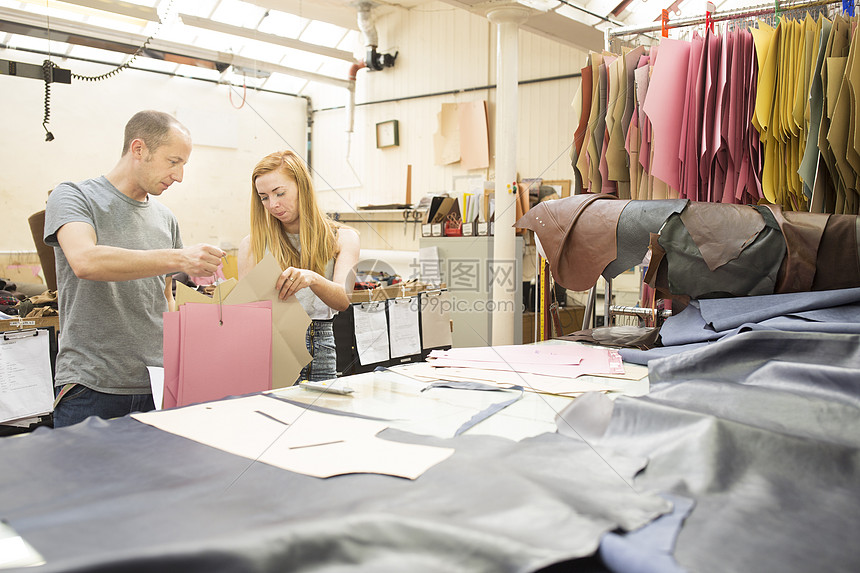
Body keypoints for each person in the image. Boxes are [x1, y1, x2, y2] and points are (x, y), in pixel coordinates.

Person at [44, 110, 226, 427]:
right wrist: (180, 257)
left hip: (158, 387)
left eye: (184, 164)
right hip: (92, 387)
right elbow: (86, 261)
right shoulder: (74, 196)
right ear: (138, 149)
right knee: (84, 477)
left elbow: (165, 297)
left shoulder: (165, 218)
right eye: (173, 162)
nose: (180, 176)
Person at [238, 150, 359, 383]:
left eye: (280, 193)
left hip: (320, 344)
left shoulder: (343, 238)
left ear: (302, 186)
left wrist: (312, 278)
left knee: (318, 416)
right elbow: (245, 312)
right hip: (270, 345)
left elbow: (342, 301)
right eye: (264, 197)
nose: (273, 204)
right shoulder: (253, 245)